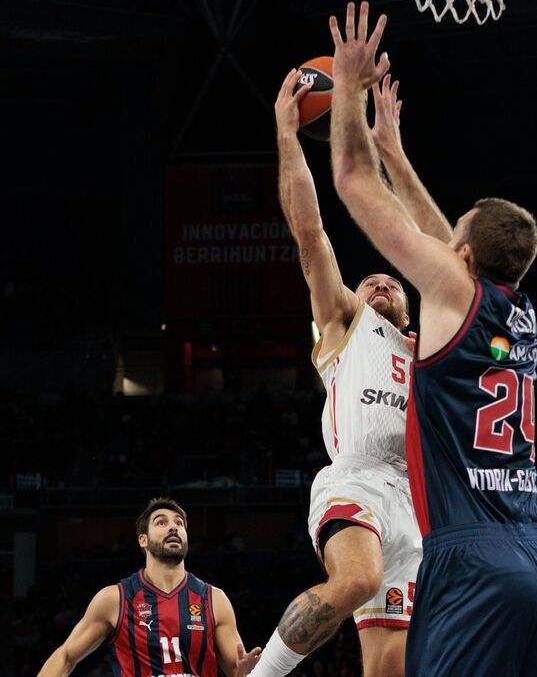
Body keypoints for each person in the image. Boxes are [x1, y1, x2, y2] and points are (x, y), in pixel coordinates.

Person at [326, 0, 537, 676]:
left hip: (474, 559)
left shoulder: (455, 290)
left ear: (467, 259)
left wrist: (349, 93)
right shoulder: (520, 307)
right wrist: (396, 150)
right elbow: (443, 238)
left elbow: (353, 181)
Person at [253, 68, 431, 677]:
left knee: (390, 665)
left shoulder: (432, 351)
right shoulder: (348, 326)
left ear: (411, 306)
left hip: (417, 504)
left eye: (394, 281)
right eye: (369, 279)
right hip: (355, 480)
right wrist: (286, 135)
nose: (380, 280)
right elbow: (310, 232)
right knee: (356, 577)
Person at [37, 498, 259, 677]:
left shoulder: (214, 600)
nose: (173, 527)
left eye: (179, 523)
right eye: (161, 522)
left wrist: (245, 672)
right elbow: (66, 657)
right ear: (143, 540)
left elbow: (237, 671)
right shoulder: (115, 599)